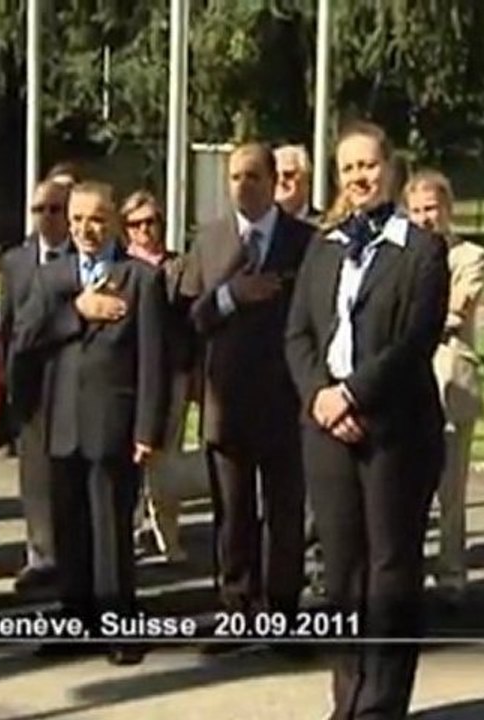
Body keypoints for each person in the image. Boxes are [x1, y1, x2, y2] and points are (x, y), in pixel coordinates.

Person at [285, 121, 449, 718]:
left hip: (395, 432)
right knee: (341, 570)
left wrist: (352, 394)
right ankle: (347, 696)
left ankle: (382, 703)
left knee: (389, 569)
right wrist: (322, 398)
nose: (358, 177)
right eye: (348, 168)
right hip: (326, 430)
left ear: (390, 169)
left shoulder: (422, 249)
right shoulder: (323, 245)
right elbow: (299, 334)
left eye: (368, 165)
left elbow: (415, 341)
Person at [12, 181, 167, 665]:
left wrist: (147, 429)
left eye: (96, 219)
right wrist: (75, 313)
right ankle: (75, 618)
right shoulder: (50, 278)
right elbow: (25, 338)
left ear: (114, 222)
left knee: (111, 529)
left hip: (114, 423)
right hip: (60, 423)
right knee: (69, 528)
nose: (84, 229)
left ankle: (120, 622)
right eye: (77, 219)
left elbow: (154, 362)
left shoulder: (138, 278)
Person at [180, 142, 312, 624]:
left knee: (285, 516)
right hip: (227, 403)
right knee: (233, 516)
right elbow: (192, 315)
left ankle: (284, 613)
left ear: (275, 182)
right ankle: (237, 606)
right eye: (235, 177)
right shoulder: (211, 240)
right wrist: (232, 296)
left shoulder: (304, 241)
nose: (242, 186)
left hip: (286, 402)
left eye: (253, 177)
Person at [405, 169, 484, 606]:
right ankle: (407, 573)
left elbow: (457, 311)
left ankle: (452, 574)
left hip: (450, 384)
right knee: (406, 488)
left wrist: (408, 325)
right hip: (406, 387)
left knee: (450, 491)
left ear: (448, 209)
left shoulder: (469, 256)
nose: (424, 218)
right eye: (416, 210)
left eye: (431, 209)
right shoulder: (399, 256)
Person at [0, 180, 71, 594]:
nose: (45, 217)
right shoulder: (16, 262)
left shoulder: (84, 260)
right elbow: (8, 326)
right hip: (32, 384)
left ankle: (73, 552)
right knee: (36, 475)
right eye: (38, 209)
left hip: (74, 381)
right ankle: (41, 555)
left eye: (54, 209)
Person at [121, 190, 197, 563]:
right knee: (127, 459)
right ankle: (129, 529)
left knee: (166, 460)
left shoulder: (179, 268)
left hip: (172, 375)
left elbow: (191, 322)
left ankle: (169, 535)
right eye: (135, 224)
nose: (144, 230)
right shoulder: (117, 269)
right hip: (126, 376)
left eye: (151, 222)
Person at [274, 144, 319, 221]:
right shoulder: (259, 226)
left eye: (289, 174)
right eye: (275, 176)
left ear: (306, 179)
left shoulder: (325, 227)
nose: (281, 180)